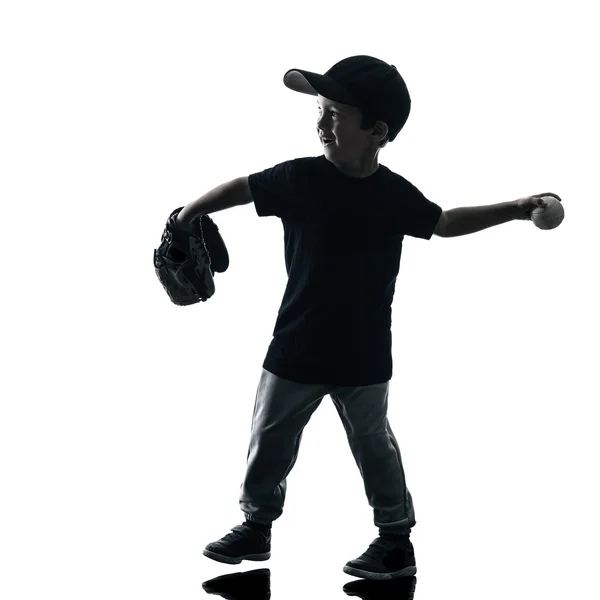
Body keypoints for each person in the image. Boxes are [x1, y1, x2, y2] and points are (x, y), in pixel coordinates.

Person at [175, 55, 549, 580]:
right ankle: (255, 528)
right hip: (296, 345)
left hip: (364, 350)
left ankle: (395, 540)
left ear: (378, 131)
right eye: (321, 110)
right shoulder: (299, 178)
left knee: (374, 446)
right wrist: (189, 214)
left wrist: (514, 207)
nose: (322, 123)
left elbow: (443, 222)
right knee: (268, 440)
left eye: (336, 115)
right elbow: (242, 187)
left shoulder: (393, 194)